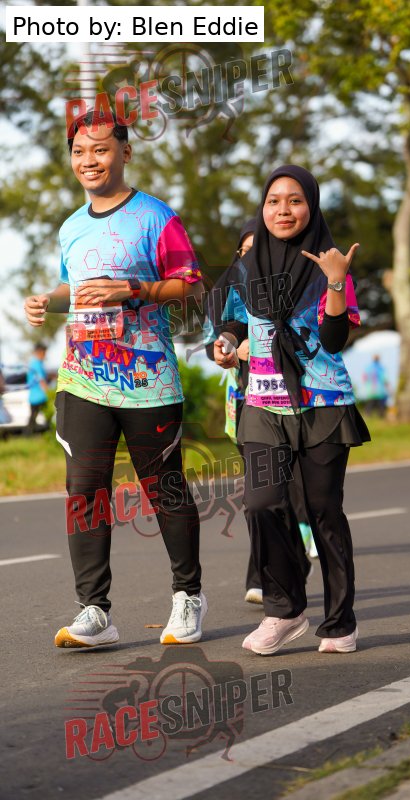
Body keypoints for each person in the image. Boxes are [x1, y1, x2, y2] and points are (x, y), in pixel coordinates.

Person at [23, 111, 206, 648]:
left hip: (147, 379)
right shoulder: (71, 226)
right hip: (83, 379)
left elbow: (190, 284)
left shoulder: (156, 216)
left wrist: (133, 289)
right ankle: (94, 611)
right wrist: (48, 300)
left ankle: (188, 596)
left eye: (100, 150)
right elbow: (75, 287)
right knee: (85, 491)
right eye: (79, 152)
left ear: (125, 152)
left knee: (164, 489)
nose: (89, 161)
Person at [214, 165, 370, 655]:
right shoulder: (245, 269)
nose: (283, 210)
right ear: (263, 208)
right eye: (274, 201)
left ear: (311, 207)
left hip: (322, 403)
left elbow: (334, 339)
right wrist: (225, 344)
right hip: (262, 402)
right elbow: (231, 324)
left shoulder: (331, 264)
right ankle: (283, 611)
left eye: (295, 200)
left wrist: (336, 284)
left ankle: (340, 620)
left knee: (324, 511)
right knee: (261, 503)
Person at [205, 220, 315, 607]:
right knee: (261, 494)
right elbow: (217, 339)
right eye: (245, 250)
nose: (253, 256)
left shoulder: (297, 282)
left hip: (299, 401)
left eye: (261, 247)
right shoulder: (229, 290)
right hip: (247, 402)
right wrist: (229, 350)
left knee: (290, 492)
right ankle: (270, 572)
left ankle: (281, 567)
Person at [25, 342, 49, 435]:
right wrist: (48, 392)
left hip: (35, 396)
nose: (45, 355)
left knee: (33, 417)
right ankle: (29, 435)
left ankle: (29, 435)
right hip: (39, 396)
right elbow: (41, 380)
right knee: (40, 416)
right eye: (44, 353)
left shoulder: (34, 363)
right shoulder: (37, 364)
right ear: (39, 352)